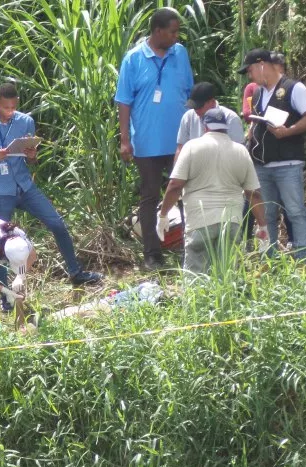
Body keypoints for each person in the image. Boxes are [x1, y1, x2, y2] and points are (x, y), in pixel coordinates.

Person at [0, 82, 102, 312]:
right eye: (6, 107)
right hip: (0, 190)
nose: (10, 111)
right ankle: (6, 296)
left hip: (25, 186)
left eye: (14, 107)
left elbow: (31, 159)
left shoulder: (25, 121)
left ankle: (75, 272)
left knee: (56, 224)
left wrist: (32, 156)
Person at [115, 7, 194, 270]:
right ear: (157, 31)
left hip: (180, 142)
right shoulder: (134, 59)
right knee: (149, 196)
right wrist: (125, 140)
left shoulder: (179, 53)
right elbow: (124, 101)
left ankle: (190, 249)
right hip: (147, 142)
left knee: (186, 193)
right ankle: (152, 255)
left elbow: (189, 93)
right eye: (172, 31)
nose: (176, 36)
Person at [157, 108, 269, 275]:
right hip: (231, 222)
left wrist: (163, 215)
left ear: (205, 127)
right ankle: (227, 301)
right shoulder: (241, 151)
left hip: (200, 222)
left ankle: (199, 301)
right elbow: (254, 194)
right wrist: (263, 225)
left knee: (197, 277)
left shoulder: (191, 147)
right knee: (228, 275)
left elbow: (175, 185)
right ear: (225, 127)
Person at [238, 48, 306, 260]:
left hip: (288, 163)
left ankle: (303, 258)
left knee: (295, 211)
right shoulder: (256, 93)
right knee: (267, 214)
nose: (250, 76)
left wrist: (289, 131)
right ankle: (269, 258)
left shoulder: (293, 88)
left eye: (250, 70)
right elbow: (256, 121)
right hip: (262, 164)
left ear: (262, 65)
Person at [174, 82, 244, 163]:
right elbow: (180, 148)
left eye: (199, 106)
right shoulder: (188, 117)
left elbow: (239, 153)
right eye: (193, 107)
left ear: (212, 102)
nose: (196, 110)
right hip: (194, 168)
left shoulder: (231, 118)